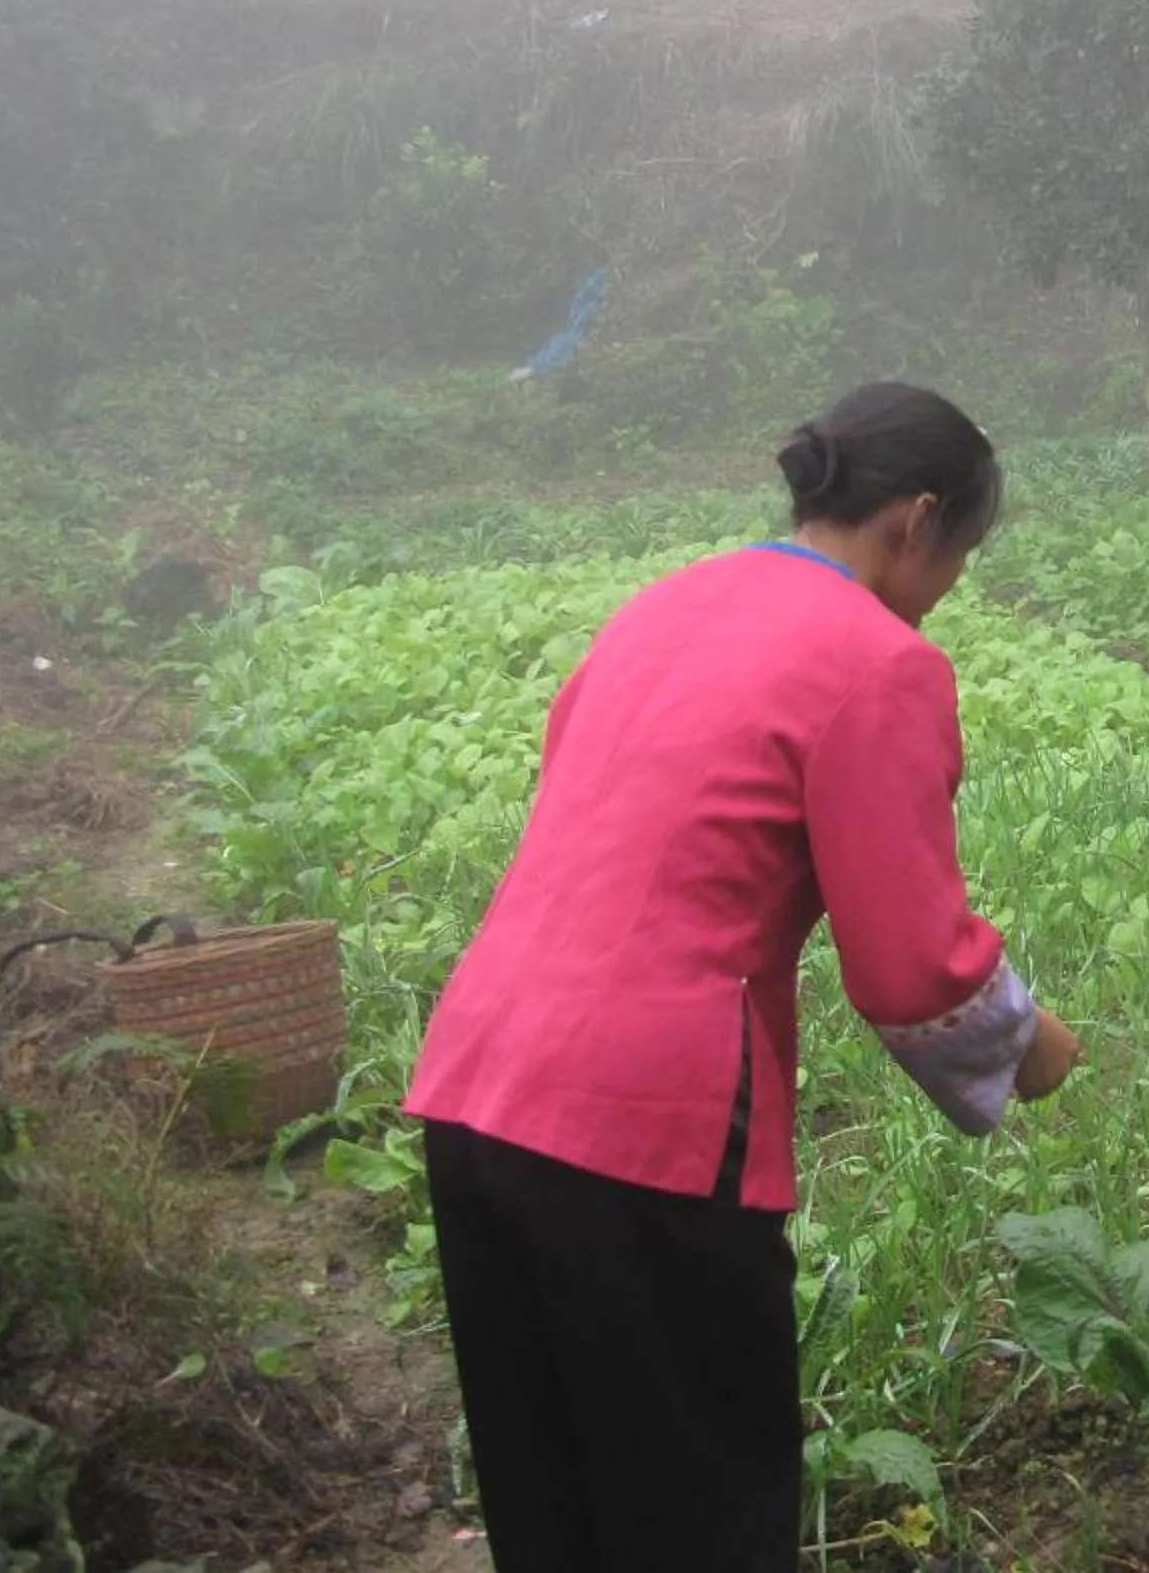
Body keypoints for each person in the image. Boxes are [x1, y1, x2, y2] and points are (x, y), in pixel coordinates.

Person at [404, 381, 1081, 1571]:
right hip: (644, 1124)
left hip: (475, 1086)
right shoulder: (879, 663)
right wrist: (1032, 1048)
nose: (951, 590)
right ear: (917, 521)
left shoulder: (670, 604)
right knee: (700, 1505)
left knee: (553, 1494)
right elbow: (914, 964)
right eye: (962, 556)